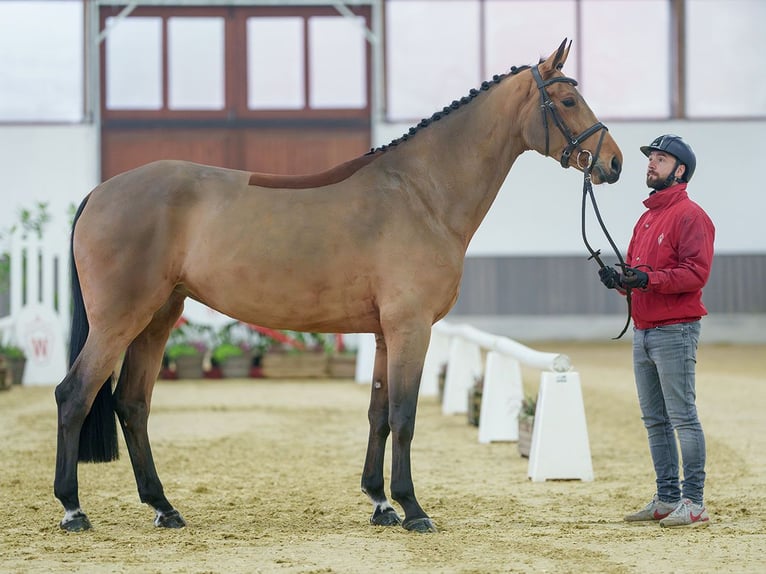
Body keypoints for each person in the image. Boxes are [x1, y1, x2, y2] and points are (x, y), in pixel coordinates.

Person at [598, 134, 715, 528]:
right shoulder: (647, 218)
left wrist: (646, 280)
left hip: (676, 330)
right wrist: (620, 279)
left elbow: (695, 274)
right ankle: (667, 497)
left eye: (661, 159)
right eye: (652, 159)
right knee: (655, 419)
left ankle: (694, 502)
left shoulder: (691, 216)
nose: (651, 164)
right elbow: (641, 275)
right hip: (645, 330)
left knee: (682, 417)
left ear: (680, 170)